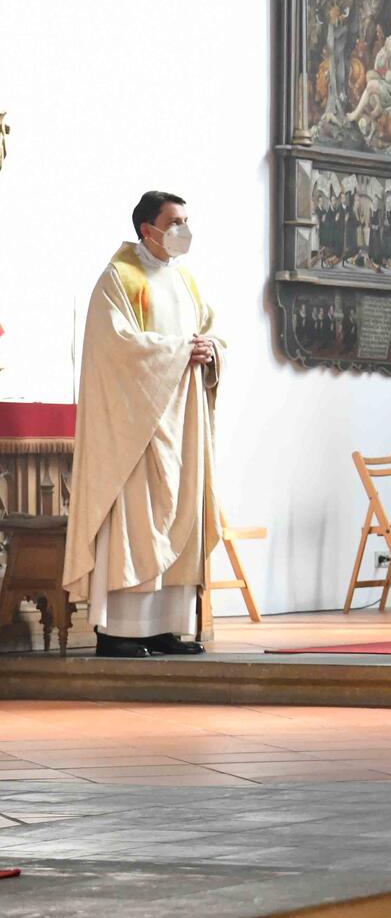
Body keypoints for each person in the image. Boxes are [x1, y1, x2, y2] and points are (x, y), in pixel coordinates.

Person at [63, 192, 221, 658]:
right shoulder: (119, 278)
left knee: (178, 520)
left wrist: (211, 350)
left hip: (182, 424)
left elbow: (208, 331)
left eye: (186, 220)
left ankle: (163, 628)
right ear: (147, 229)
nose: (183, 230)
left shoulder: (186, 281)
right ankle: (119, 632)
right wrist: (180, 351)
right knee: (135, 523)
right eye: (174, 222)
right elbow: (114, 347)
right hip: (135, 428)